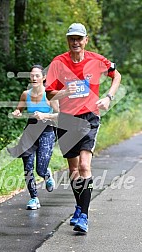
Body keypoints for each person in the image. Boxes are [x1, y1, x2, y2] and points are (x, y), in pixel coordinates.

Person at [45, 23, 121, 232]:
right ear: (67, 40)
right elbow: (50, 93)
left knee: (84, 166)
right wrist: (65, 92)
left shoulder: (96, 60)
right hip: (67, 119)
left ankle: (83, 216)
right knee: (73, 169)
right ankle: (79, 206)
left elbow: (116, 76)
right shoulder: (58, 63)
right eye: (72, 39)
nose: (75, 42)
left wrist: (108, 97)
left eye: (79, 38)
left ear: (86, 40)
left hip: (89, 117)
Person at [8, 65, 59, 210]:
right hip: (30, 131)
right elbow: (19, 108)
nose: (34, 78)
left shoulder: (50, 95)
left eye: (37, 75)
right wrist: (17, 112)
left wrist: (45, 115)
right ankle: (34, 198)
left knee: (40, 169)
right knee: (28, 166)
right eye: (32, 76)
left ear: (43, 78)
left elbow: (61, 115)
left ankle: (46, 174)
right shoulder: (26, 94)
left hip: (47, 131)